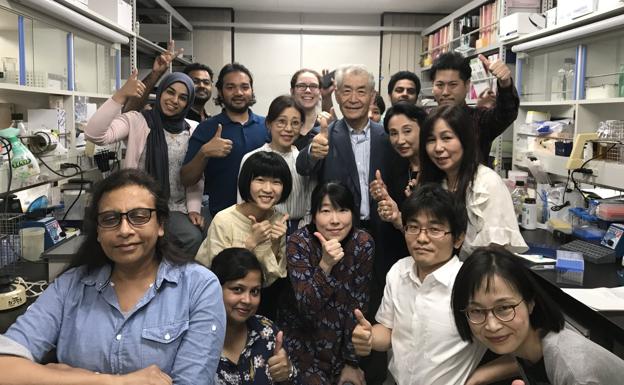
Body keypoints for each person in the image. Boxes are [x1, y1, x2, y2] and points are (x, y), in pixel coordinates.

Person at [0, 169, 226, 384]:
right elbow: (5, 368)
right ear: (98, 231)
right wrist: (112, 381)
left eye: (139, 216)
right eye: (110, 219)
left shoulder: (199, 287)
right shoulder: (69, 286)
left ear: (161, 225)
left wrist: (61, 376)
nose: (125, 230)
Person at [296, 64, 406, 385]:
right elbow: (303, 166)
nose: (354, 98)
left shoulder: (388, 138)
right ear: (336, 95)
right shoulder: (328, 134)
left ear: (373, 96)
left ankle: (372, 372)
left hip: (385, 235)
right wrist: (313, 152)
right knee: (340, 306)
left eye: (362, 91)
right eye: (347, 90)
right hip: (340, 237)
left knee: (380, 307)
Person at [352, 184, 517, 385]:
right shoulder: (399, 271)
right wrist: (369, 337)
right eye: (413, 227)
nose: (421, 238)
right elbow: (388, 332)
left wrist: (474, 379)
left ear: (458, 238)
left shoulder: (471, 284)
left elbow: (526, 347)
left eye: (435, 229)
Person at [452, 246, 624, 385]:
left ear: (530, 303)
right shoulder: (527, 348)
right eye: (476, 311)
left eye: (504, 308)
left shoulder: (574, 371)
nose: (492, 325)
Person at [85, 70, 206, 257]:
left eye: (182, 97)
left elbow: (196, 175)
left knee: (193, 237)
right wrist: (120, 95)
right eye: (170, 92)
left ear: (188, 103)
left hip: (176, 208)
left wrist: (194, 209)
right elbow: (94, 134)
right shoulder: (137, 121)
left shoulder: (194, 130)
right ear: (160, 92)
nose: (174, 100)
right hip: (138, 204)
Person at [277, 181, 373, 385]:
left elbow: (358, 305)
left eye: (343, 210)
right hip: (303, 340)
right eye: (326, 211)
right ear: (314, 216)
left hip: (341, 343)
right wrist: (325, 265)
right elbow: (307, 307)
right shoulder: (299, 242)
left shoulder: (362, 243)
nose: (335, 220)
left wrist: (351, 361)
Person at [419, 104, 527, 257]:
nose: (438, 147)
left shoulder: (487, 184)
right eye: (431, 140)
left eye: (447, 138)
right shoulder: (437, 182)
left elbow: (493, 255)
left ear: (465, 139)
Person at [196, 151, 291, 319]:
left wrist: (275, 244)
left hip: (260, 301)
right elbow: (219, 276)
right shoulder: (224, 220)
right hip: (220, 303)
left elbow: (272, 280)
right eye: (260, 180)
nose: (268, 189)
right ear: (247, 182)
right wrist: (251, 244)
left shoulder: (278, 220)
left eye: (276, 182)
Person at [181, 62, 267, 217]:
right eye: (230, 87)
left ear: (252, 91)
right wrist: (204, 152)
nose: (239, 92)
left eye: (245, 87)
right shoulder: (207, 128)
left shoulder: (267, 126)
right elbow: (187, 179)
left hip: (264, 216)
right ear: (220, 92)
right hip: (221, 217)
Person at [211, 247, 302, 385]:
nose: (247, 300)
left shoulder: (267, 332)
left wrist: (288, 373)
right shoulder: (196, 340)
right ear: (215, 288)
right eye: (237, 289)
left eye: (254, 291)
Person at [238, 95, 312, 234]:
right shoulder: (251, 158)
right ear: (268, 123)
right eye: (281, 122)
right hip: (261, 228)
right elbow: (243, 202)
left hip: (300, 231)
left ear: (301, 126)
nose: (288, 128)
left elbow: (311, 206)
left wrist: (300, 235)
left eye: (295, 123)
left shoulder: (305, 160)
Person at [430, 52, 519, 164]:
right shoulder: (427, 121)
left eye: (453, 85)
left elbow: (506, 113)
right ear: (433, 86)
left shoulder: (479, 120)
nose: (445, 92)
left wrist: (505, 83)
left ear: (467, 85)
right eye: (440, 85)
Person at [370, 102, 428, 230]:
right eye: (393, 133)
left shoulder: (439, 168)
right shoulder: (395, 166)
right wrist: (383, 198)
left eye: (407, 131)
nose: (400, 140)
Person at [289, 69, 333, 150]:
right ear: (292, 91)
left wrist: (326, 97)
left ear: (320, 91)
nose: (308, 90)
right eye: (302, 86)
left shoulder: (325, 124)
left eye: (313, 86)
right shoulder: (284, 127)